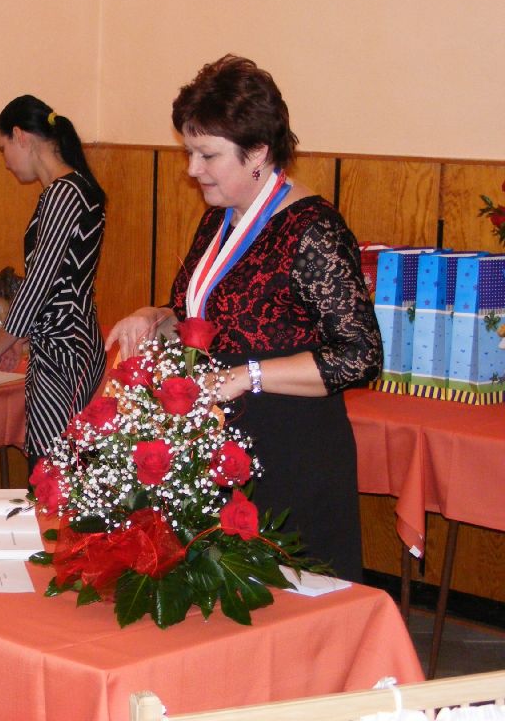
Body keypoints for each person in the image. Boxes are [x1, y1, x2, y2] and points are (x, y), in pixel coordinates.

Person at [106, 55, 381, 582]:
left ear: (257, 152)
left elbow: (360, 356)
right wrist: (153, 316)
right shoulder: (219, 218)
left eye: (207, 155)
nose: (193, 169)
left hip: (291, 452)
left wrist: (247, 376)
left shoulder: (312, 229)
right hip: (222, 445)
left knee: (292, 608)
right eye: (189, 153)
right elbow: (206, 314)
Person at [0, 95, 106, 468]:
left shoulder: (63, 193)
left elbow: (40, 283)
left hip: (65, 348)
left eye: (3, 147)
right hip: (65, 341)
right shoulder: (69, 190)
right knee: (55, 462)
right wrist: (20, 338)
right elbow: (57, 283)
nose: (5, 160)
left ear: (20, 136)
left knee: (52, 466)